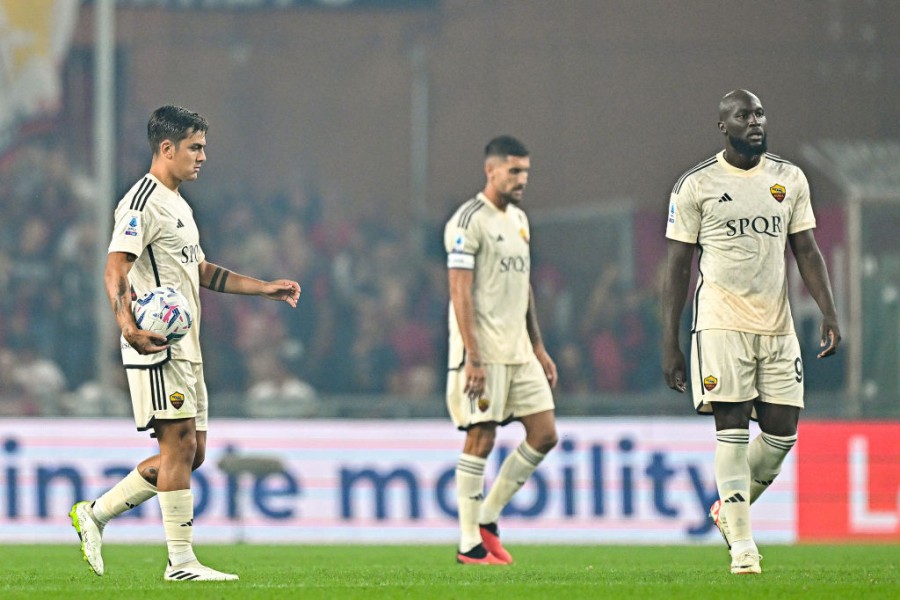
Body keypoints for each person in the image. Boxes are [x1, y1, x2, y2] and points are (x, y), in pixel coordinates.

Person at [69, 105, 301, 582]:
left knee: (191, 455)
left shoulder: (179, 205)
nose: (202, 156)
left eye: (203, 147)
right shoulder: (141, 203)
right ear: (167, 148)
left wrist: (262, 287)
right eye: (195, 147)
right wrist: (128, 327)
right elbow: (116, 268)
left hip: (188, 348)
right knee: (177, 448)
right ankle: (182, 562)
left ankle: (96, 513)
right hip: (158, 345)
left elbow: (199, 271)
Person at [661, 90, 841, 575]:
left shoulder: (789, 179)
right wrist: (670, 342)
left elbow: (806, 250)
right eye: (744, 115)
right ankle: (743, 546)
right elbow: (677, 267)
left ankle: (727, 509)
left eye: (760, 114)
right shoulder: (695, 185)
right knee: (733, 432)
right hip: (719, 323)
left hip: (777, 325)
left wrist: (829, 311)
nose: (755, 122)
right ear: (724, 126)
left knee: (782, 436)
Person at [443, 135, 559, 565]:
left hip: (520, 350)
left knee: (545, 434)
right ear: (490, 171)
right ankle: (469, 543)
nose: (522, 179)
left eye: (526, 171)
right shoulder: (467, 221)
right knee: (482, 436)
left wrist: (539, 346)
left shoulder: (520, 221)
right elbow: (459, 291)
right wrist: (472, 356)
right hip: (483, 351)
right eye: (514, 171)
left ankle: (488, 516)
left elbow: (523, 287)